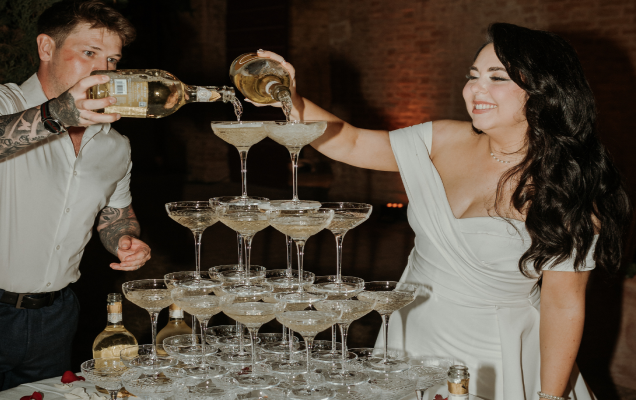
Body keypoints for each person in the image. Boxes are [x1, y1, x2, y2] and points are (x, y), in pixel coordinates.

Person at [254, 23, 631, 400]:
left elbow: (563, 306)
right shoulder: (444, 139)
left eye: (496, 77)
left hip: (495, 355)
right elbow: (351, 142)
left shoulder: (566, 189)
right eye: (472, 76)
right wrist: (289, 99)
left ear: (543, 92)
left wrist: (550, 396)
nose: (475, 89)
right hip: (409, 332)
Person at [0, 1, 152, 398]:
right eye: (89, 53)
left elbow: (116, 213)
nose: (104, 71)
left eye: (113, 59)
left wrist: (125, 239)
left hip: (55, 318)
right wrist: (59, 114)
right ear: (46, 48)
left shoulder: (115, 144)